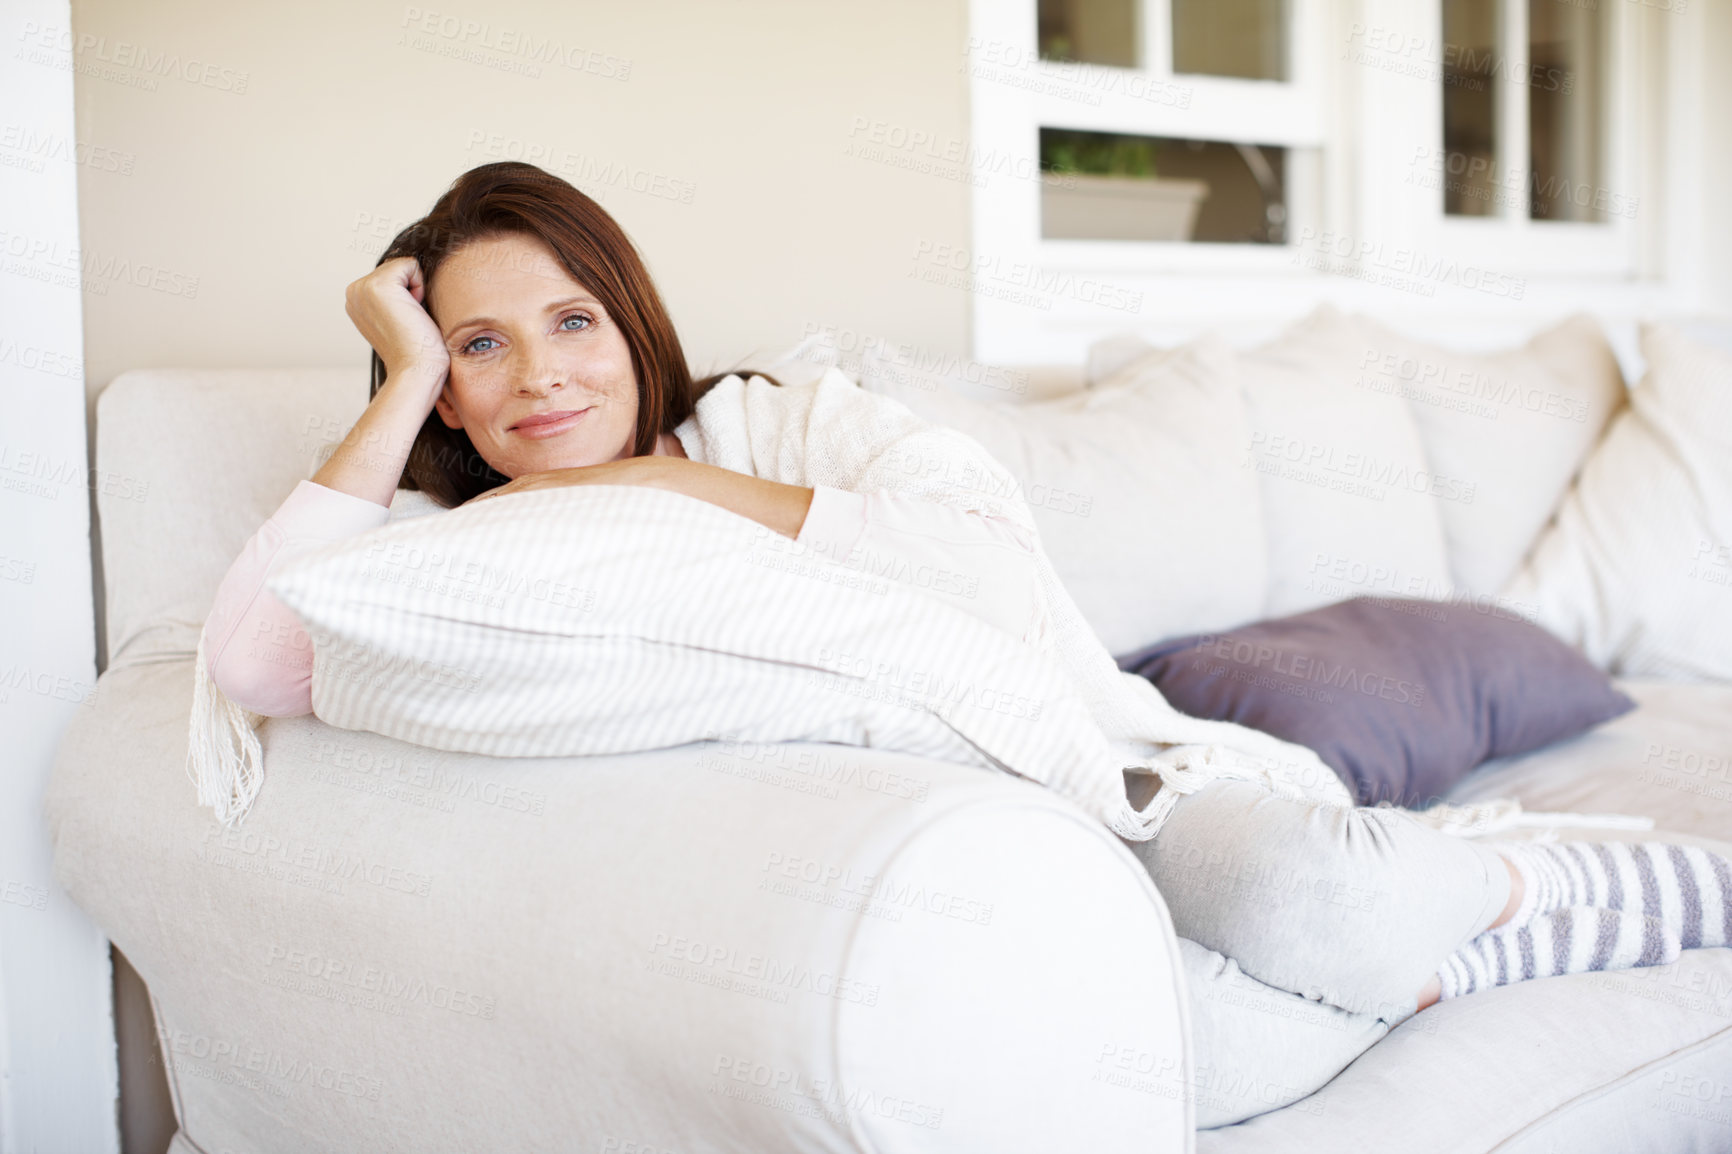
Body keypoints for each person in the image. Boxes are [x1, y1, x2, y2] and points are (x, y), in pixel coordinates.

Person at [201, 161, 1732, 1127]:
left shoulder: (783, 417)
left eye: (571, 320)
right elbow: (260, 661)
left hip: (1103, 770)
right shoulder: (460, 562)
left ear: (633, 321)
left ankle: (1551, 878)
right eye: (478, 345)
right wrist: (391, 383)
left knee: (1300, 887)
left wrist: (667, 476)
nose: (536, 373)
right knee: (1179, 1042)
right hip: (969, 870)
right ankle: (1456, 940)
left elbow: (976, 557)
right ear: (448, 398)